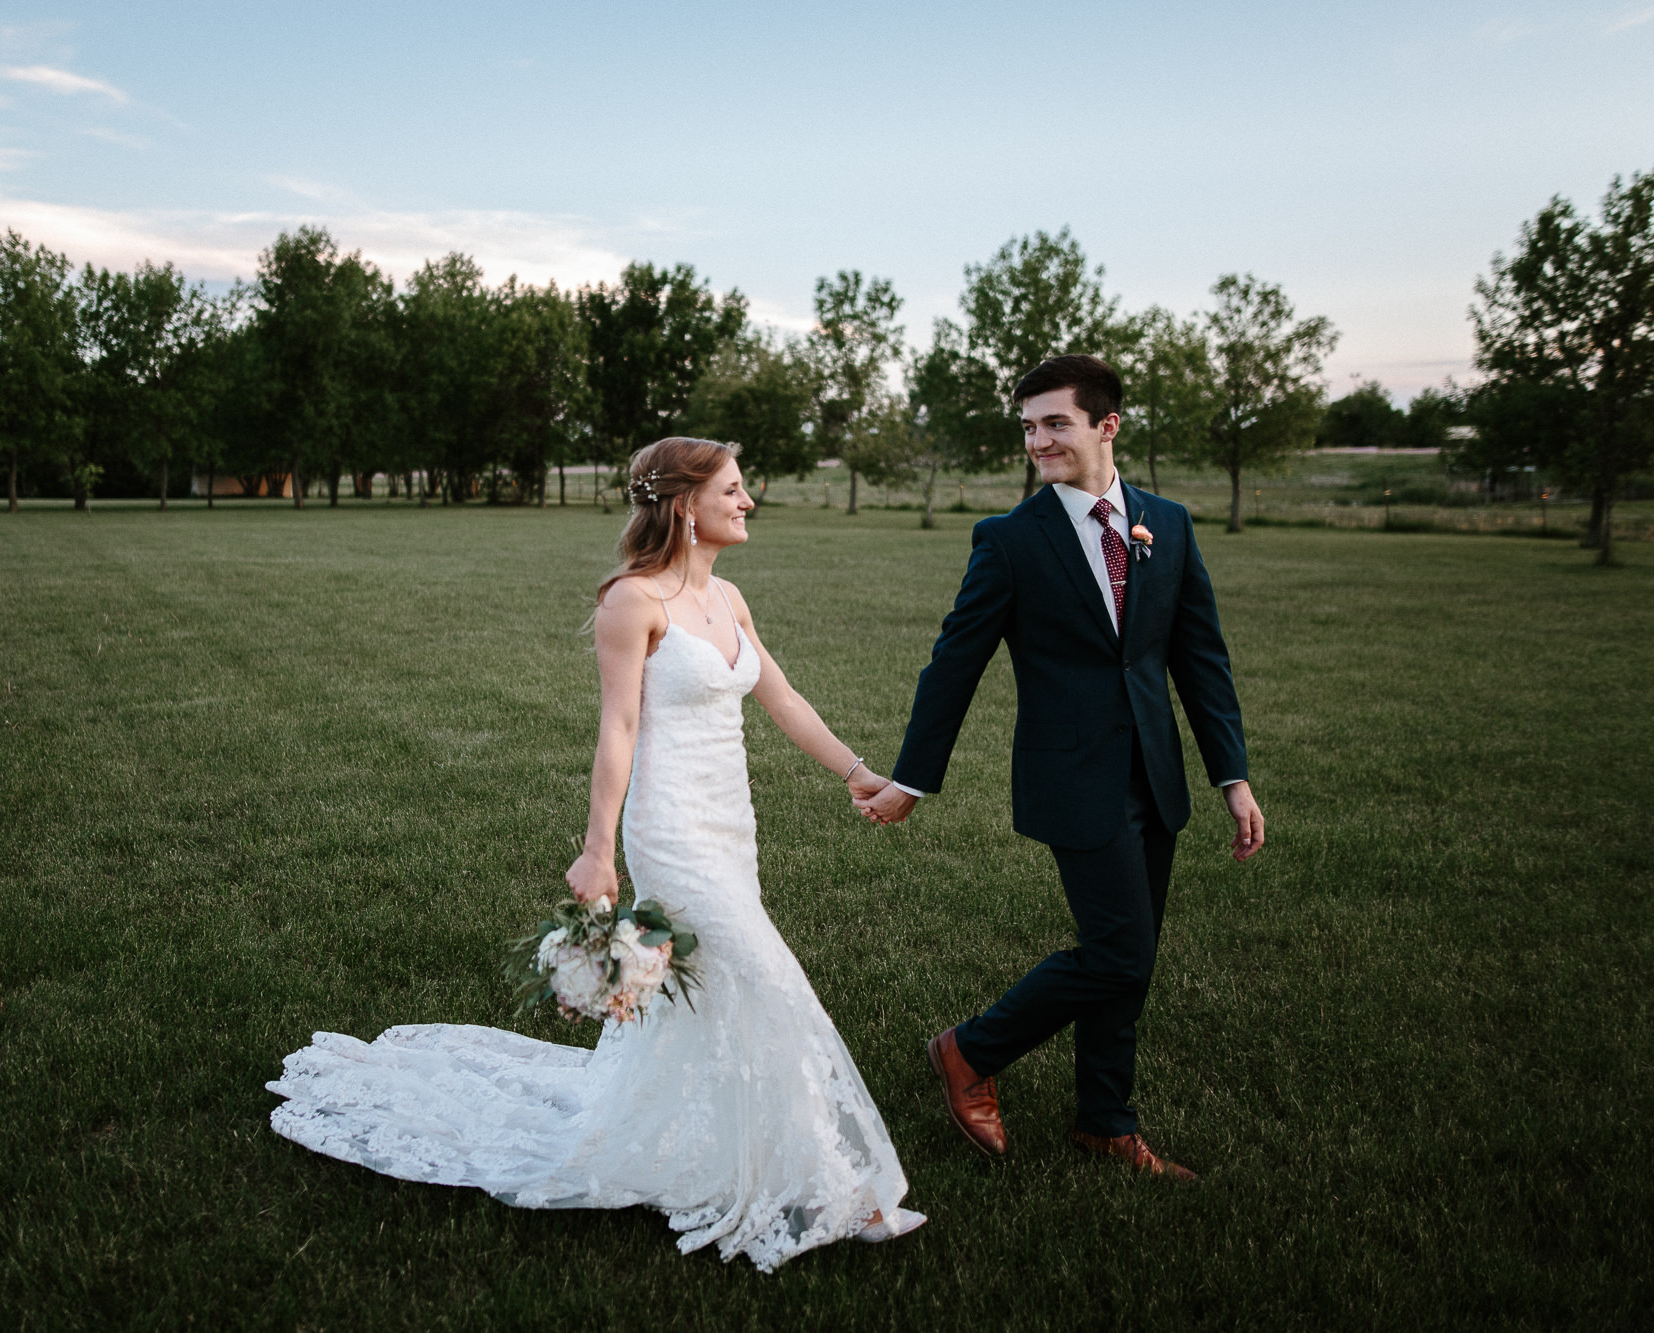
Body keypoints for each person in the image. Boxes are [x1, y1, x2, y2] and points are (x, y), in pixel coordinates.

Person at [270, 437, 923, 1272]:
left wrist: (863, 775)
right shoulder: (632, 600)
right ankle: (829, 1179)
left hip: (732, 824)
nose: (748, 500)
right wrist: (597, 852)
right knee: (768, 977)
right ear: (685, 503)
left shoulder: (728, 598)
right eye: (733, 487)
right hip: (674, 830)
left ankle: (705, 1134)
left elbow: (782, 696)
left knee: (716, 993)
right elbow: (616, 730)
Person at [857, 354, 1264, 1179]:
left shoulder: (1169, 524)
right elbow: (954, 664)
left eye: (1055, 423)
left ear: (1106, 425)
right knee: (1119, 950)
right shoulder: (1011, 539)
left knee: (1132, 955)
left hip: (1156, 774)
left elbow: (1201, 660)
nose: (1038, 441)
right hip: (1072, 778)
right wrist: (912, 780)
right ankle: (968, 1051)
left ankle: (1106, 1120)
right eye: (1030, 427)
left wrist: (1233, 774)